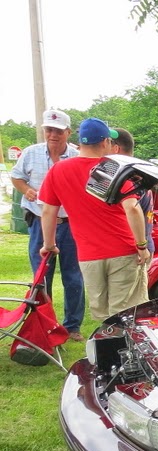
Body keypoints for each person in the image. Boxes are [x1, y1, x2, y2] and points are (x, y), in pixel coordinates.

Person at [38, 118, 151, 321]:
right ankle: (124, 350)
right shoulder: (113, 169)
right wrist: (142, 245)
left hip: (89, 255)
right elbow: (132, 209)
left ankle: (106, 349)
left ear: (81, 142)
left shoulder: (58, 170)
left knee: (101, 313)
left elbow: (48, 212)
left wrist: (49, 245)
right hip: (123, 251)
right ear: (105, 142)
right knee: (126, 311)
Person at [10, 109, 86, 341]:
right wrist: (26, 190)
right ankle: (46, 322)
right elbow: (16, 176)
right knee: (42, 276)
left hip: (69, 224)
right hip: (39, 222)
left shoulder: (77, 157)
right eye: (48, 130)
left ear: (68, 132)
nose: (52, 134)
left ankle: (72, 326)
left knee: (73, 276)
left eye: (57, 131)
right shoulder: (31, 153)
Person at [112, 128, 155, 257]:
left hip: (134, 249)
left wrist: (141, 246)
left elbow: (133, 210)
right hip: (141, 245)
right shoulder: (138, 171)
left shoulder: (128, 176)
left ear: (115, 149)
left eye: (106, 144)